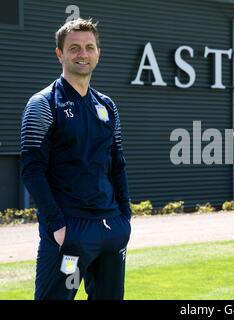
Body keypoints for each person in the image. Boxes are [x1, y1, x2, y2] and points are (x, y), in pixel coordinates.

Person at [20, 18, 132, 300]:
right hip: (70, 232)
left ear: (98, 53)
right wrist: (58, 226)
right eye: (74, 48)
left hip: (110, 231)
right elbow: (32, 171)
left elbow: (117, 165)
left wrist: (124, 218)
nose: (83, 54)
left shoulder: (107, 106)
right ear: (60, 54)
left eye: (89, 47)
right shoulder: (43, 104)